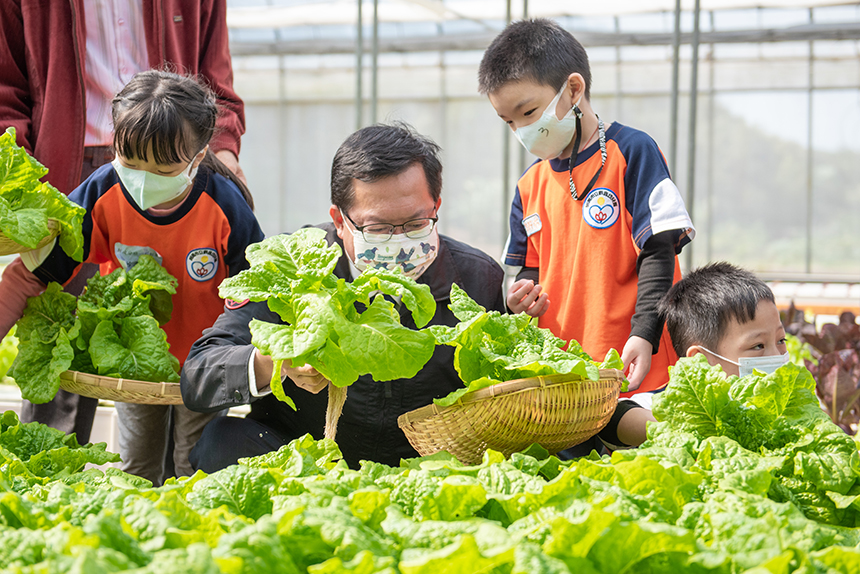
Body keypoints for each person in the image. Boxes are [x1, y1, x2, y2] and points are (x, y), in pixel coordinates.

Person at [181, 123, 507, 471]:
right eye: (378, 229)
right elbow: (199, 375)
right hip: (305, 466)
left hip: (427, 470)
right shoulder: (292, 264)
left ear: (436, 205)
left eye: (416, 224)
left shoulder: (476, 277)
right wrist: (274, 362)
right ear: (339, 220)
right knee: (222, 441)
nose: (398, 242)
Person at [0, 0, 246, 445]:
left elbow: (254, 286)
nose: (143, 182)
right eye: (132, 166)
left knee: (196, 455)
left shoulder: (223, 204)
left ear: (198, 160)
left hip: (206, 356)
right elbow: (35, 274)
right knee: (130, 456)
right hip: (63, 157)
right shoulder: (107, 190)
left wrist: (242, 356)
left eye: (162, 172)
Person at [477, 19, 695, 397]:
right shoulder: (529, 185)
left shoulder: (632, 152)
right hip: (563, 376)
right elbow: (528, 270)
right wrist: (520, 299)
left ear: (573, 89)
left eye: (528, 113)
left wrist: (645, 334)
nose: (521, 131)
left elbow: (658, 252)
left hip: (632, 361)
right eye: (509, 121)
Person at [658, 262, 788, 377]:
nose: (777, 357)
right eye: (758, 346)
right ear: (699, 360)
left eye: (781, 340)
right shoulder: (650, 404)